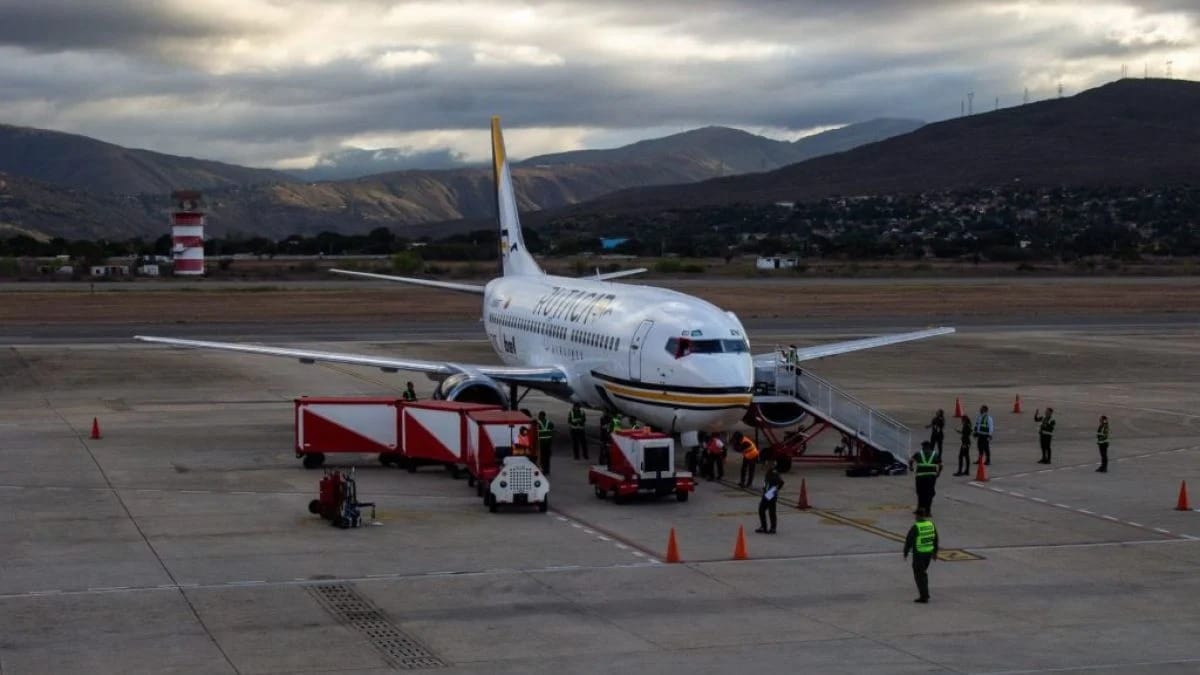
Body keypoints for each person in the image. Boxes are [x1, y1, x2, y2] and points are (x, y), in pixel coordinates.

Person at [903, 508, 939, 604]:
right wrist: (935, 552)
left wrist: (905, 552)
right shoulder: (931, 525)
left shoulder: (916, 527)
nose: (915, 517)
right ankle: (925, 594)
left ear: (918, 516)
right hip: (928, 554)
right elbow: (935, 539)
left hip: (919, 554)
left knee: (919, 575)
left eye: (916, 515)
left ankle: (924, 596)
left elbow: (909, 540)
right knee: (922, 573)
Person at [909, 440, 942, 514]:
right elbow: (941, 465)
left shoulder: (918, 453)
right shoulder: (935, 454)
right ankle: (928, 511)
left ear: (923, 446)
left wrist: (911, 468)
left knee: (920, 492)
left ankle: (920, 509)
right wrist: (938, 473)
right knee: (929, 493)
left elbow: (911, 461)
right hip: (931, 477)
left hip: (920, 477)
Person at [756, 468, 785, 534]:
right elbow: (766, 482)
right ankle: (766, 527)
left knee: (769, 511)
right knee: (763, 510)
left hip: (771, 494)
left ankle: (771, 528)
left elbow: (781, 482)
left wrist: (775, 490)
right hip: (767, 493)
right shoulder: (769, 471)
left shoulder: (773, 472)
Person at [536, 411, 555, 476]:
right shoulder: (549, 422)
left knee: (542, 457)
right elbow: (552, 428)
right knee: (547, 457)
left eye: (539, 415)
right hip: (548, 442)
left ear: (541, 416)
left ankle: (543, 469)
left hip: (541, 442)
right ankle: (547, 470)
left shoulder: (538, 423)